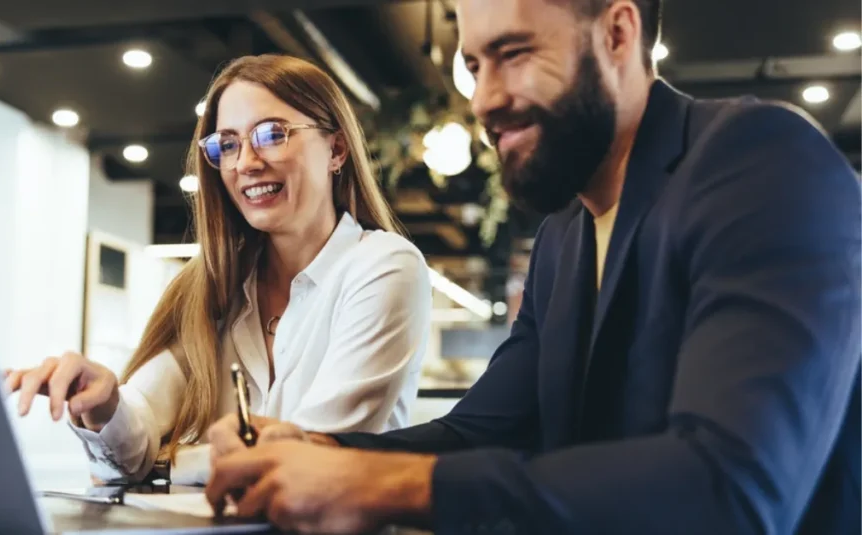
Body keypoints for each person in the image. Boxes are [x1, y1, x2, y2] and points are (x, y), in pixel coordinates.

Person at [204, 0, 862, 533]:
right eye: (472, 67)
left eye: (513, 54)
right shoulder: (563, 237)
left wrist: (390, 485)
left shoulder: (761, 161)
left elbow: (732, 488)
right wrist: (321, 450)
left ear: (617, 33)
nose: (485, 99)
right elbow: (480, 430)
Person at [3, 54, 432, 486]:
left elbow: (309, 457)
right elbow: (136, 430)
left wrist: (167, 464)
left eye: (271, 134)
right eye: (227, 144)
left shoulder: (384, 266)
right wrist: (105, 404)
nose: (245, 162)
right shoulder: (215, 287)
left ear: (336, 149)